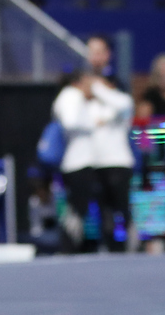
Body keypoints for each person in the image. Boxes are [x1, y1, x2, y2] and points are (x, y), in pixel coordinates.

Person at [52, 69, 135, 253]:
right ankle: (88, 245)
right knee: (99, 210)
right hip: (94, 165)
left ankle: (131, 245)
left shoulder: (120, 102)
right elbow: (72, 120)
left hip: (118, 164)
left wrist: (97, 87)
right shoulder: (83, 102)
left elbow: (122, 104)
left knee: (122, 207)